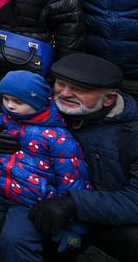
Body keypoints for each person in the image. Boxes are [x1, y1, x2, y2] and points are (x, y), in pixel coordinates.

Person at [0, 71, 91, 261]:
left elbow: (73, 180)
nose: (10, 105)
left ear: (38, 101)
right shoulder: (3, 120)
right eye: (6, 98)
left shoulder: (58, 138)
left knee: (15, 240)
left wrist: (74, 226)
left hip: (32, 201)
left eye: (18, 101)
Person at [27, 54, 138, 261]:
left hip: (103, 213)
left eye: (80, 89)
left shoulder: (131, 133)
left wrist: (74, 204)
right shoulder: (49, 109)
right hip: (49, 203)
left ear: (109, 99)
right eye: (61, 84)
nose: (65, 93)